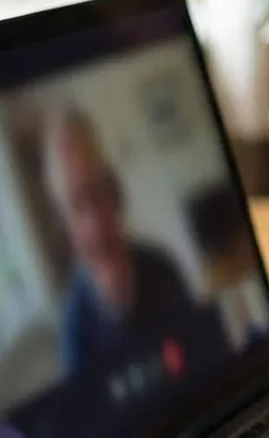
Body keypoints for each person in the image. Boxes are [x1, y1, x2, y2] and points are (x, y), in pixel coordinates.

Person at [39, 105, 199, 381]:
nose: (95, 222)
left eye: (98, 191)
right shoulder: (73, 330)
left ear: (114, 190)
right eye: (77, 204)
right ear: (62, 222)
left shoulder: (163, 267)